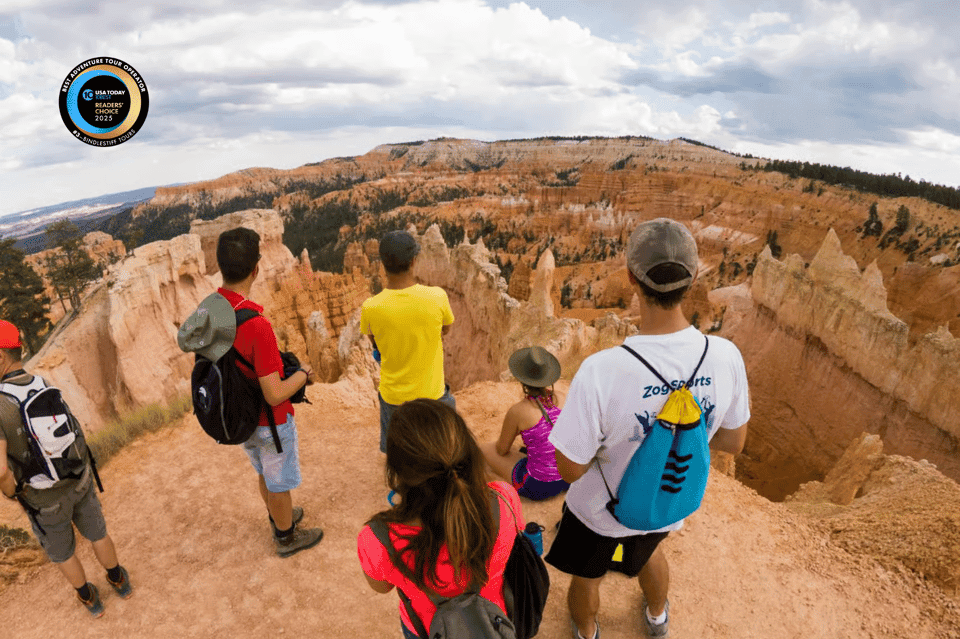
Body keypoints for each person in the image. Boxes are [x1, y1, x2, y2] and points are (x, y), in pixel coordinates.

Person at [545, 218, 750, 639]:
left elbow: (570, 469)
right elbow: (733, 441)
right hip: (667, 502)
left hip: (601, 513)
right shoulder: (726, 355)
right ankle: (657, 617)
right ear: (693, 279)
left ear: (631, 280)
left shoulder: (602, 370)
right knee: (650, 551)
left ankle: (587, 631)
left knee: (587, 576)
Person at [357, 399, 523, 639]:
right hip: (495, 623)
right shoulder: (504, 500)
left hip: (427, 630)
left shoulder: (377, 538)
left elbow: (381, 587)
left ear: (396, 472)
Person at [0, 320, 133, 617]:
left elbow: (1, 471)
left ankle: (89, 598)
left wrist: (12, 493)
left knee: (63, 552)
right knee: (98, 535)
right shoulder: (41, 383)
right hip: (77, 478)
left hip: (43, 498)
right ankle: (118, 579)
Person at [215, 227, 323, 557]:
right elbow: (275, 393)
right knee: (279, 482)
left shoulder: (215, 310)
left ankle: (279, 517)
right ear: (256, 268)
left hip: (241, 417)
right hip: (269, 422)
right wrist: (303, 375)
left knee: (265, 473)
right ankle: (286, 536)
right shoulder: (256, 325)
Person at [360, 230, 456, 453]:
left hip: (394, 397)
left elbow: (374, 340)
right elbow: (447, 329)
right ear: (414, 260)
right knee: (445, 445)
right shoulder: (437, 296)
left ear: (382, 264)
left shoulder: (371, 307)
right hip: (433, 394)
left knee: (397, 451)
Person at [480, 345, 570, 500]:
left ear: (522, 380)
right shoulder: (564, 397)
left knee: (485, 448)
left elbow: (502, 450)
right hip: (568, 476)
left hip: (540, 486)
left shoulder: (518, 411)